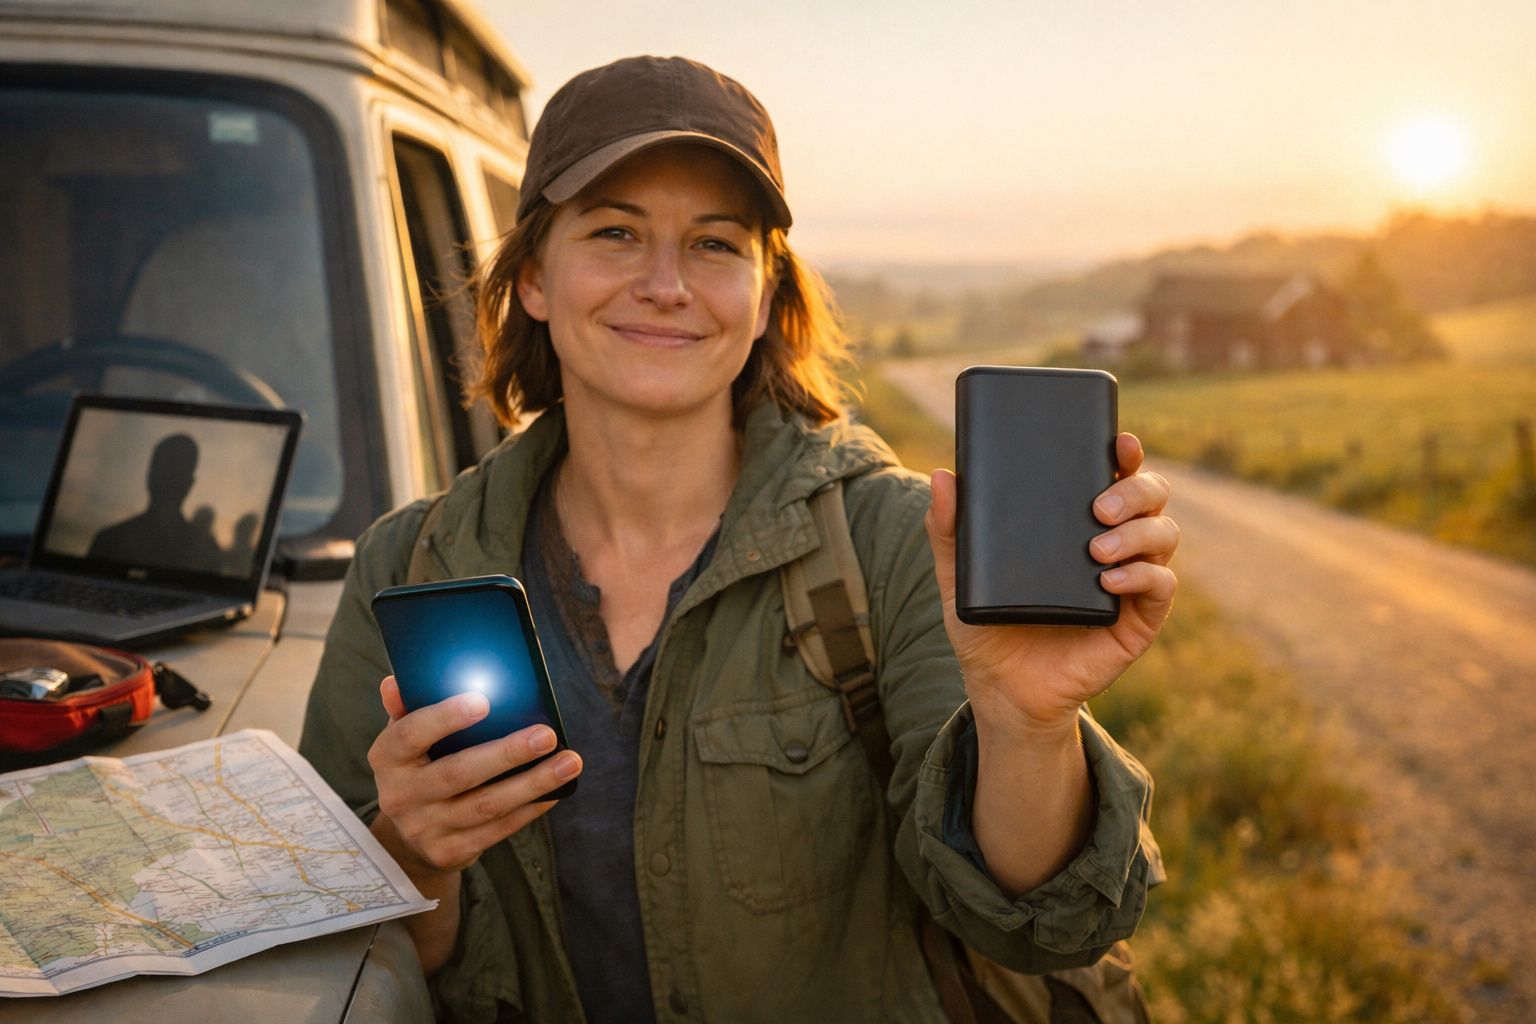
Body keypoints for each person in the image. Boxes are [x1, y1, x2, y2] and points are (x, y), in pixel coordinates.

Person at [300, 55, 1177, 1023]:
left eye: (715, 244)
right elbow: (355, 971)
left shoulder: (890, 543)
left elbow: (1036, 927)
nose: (665, 284)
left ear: (763, 298)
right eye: (616, 232)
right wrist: (413, 856)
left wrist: (1027, 725)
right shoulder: (406, 567)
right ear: (535, 277)